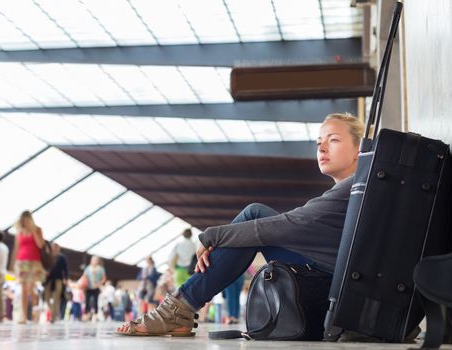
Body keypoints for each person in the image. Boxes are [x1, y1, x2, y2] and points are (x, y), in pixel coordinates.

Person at [116, 113, 362, 336]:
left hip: (337, 288)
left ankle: (179, 308)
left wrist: (213, 236)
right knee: (254, 216)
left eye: (333, 139)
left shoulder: (353, 187)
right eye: (319, 141)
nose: (321, 146)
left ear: (359, 149)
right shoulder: (355, 189)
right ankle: (182, 308)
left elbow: (291, 224)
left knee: (254, 217)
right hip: (339, 279)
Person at [11, 211, 46, 324]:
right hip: (22, 263)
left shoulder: (37, 230)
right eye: (23, 220)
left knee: (31, 288)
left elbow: (41, 245)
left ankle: (35, 313)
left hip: (34, 263)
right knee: (24, 290)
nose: (25, 222)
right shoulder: (19, 232)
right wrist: (13, 265)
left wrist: (34, 232)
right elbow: (16, 249)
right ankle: (24, 316)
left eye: (26, 220)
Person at [43, 243, 68, 322]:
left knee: (56, 297)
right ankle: (52, 311)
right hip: (48, 280)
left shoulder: (62, 257)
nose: (54, 249)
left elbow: (66, 269)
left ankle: (53, 317)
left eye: (56, 248)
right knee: (46, 297)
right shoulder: (48, 256)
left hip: (58, 279)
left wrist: (66, 278)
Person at [82, 255, 106, 321]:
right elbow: (84, 277)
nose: (94, 261)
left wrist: (99, 283)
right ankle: (87, 314)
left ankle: (95, 315)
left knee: (96, 301)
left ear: (98, 261)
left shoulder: (101, 269)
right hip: (88, 287)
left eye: (95, 260)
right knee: (87, 301)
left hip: (96, 287)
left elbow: (104, 279)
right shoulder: (88, 268)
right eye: (93, 260)